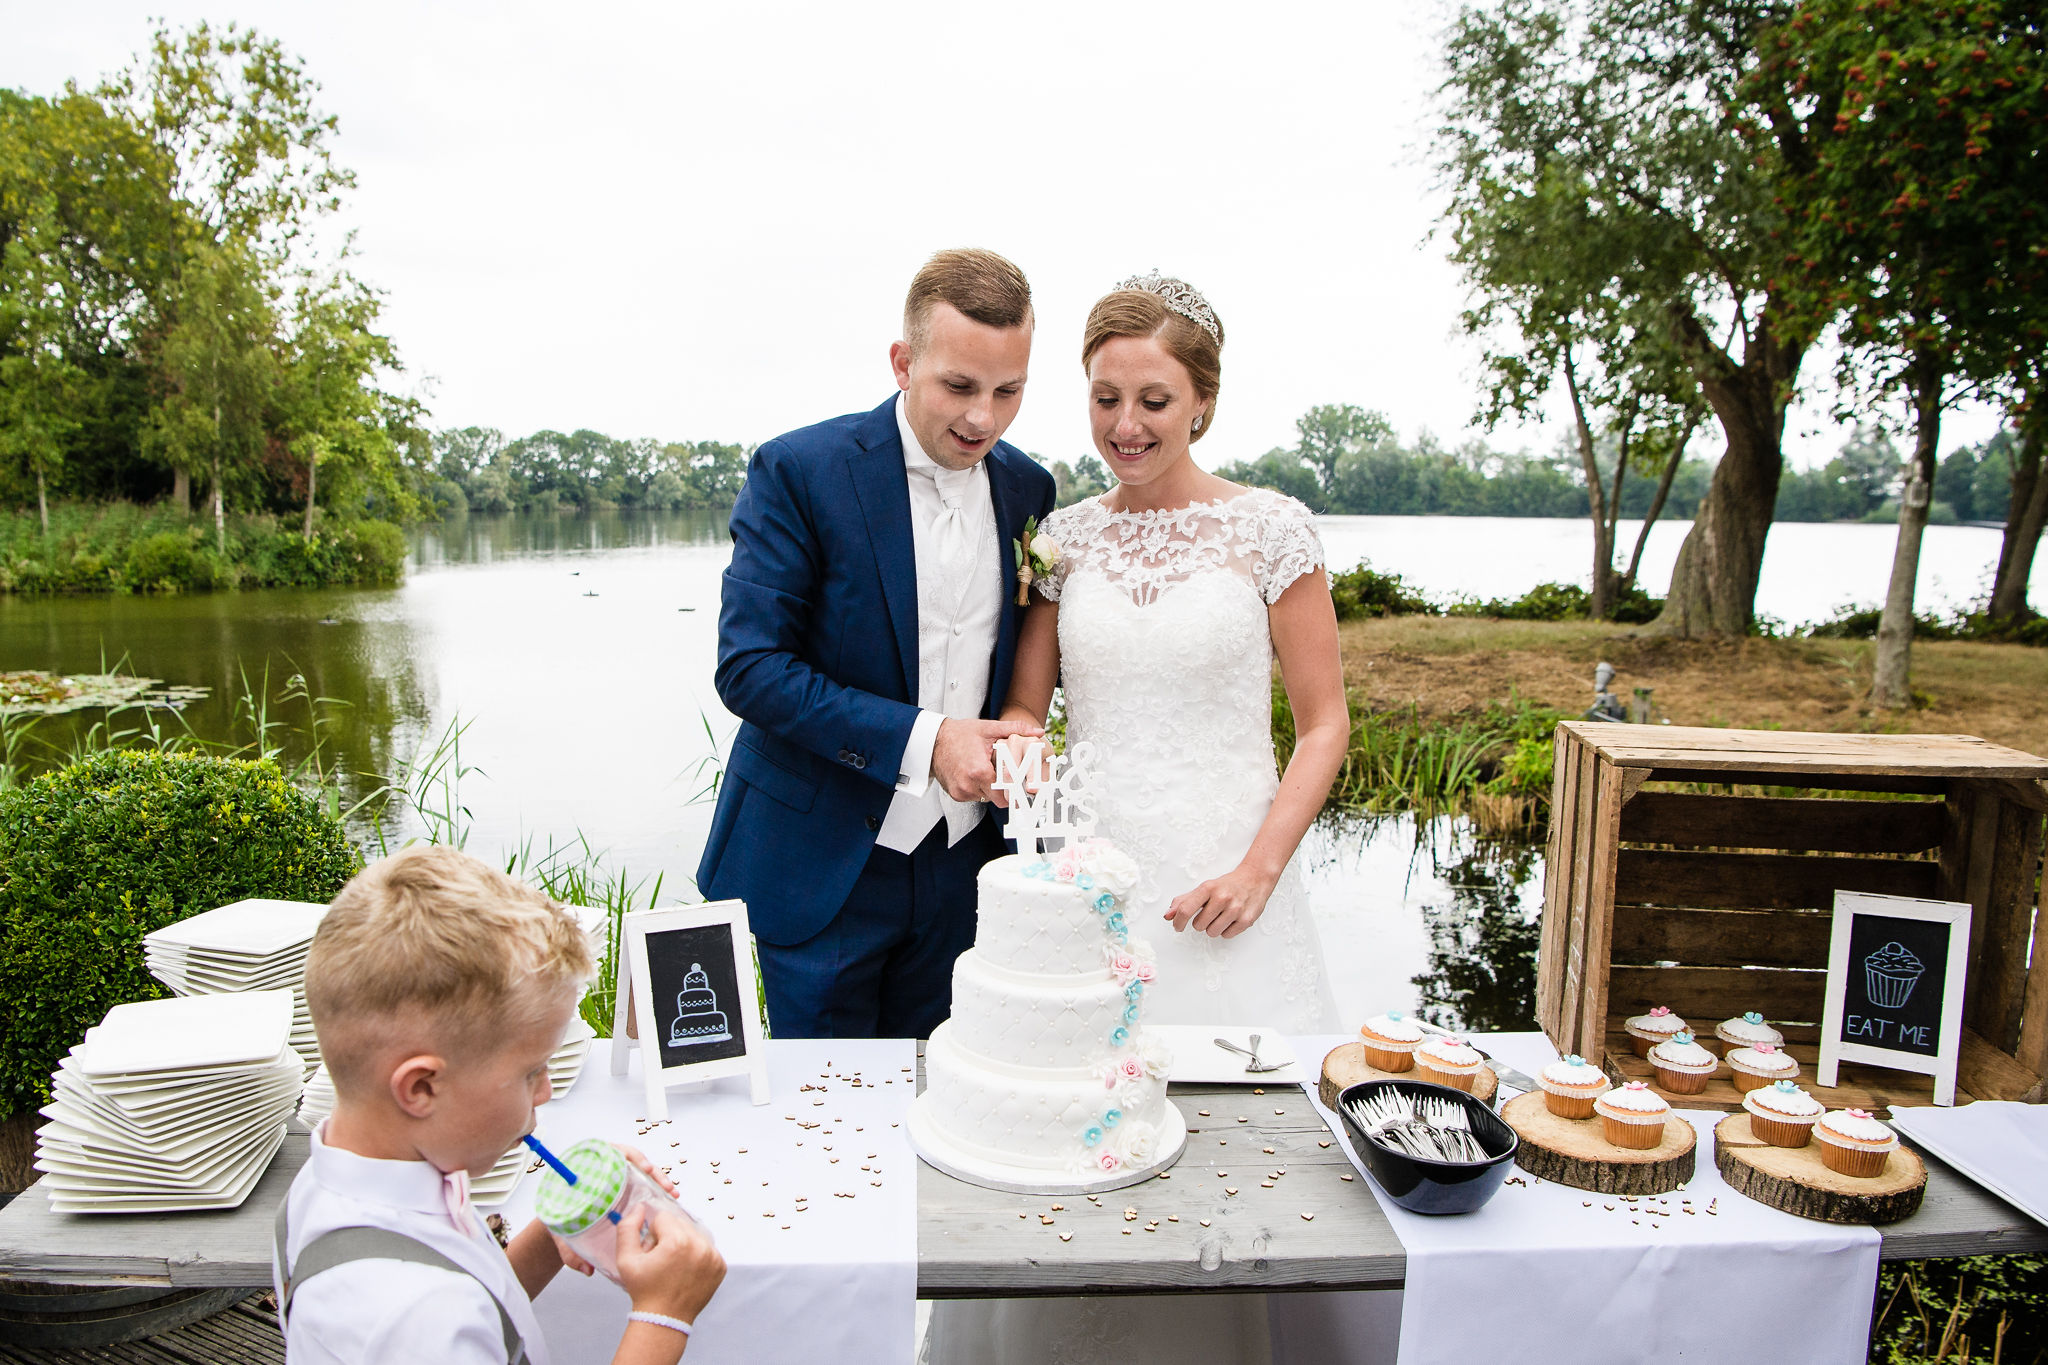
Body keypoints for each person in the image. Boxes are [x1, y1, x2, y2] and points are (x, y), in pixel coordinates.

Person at [925, 273, 1348, 1365]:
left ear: (1200, 400)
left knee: (1229, 1159)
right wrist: (1017, 748)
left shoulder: (1271, 531)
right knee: (1072, 1139)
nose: (1125, 426)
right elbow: (1027, 704)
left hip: (1226, 889)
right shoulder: (1060, 538)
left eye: (1152, 400)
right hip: (1091, 889)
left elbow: (1323, 727)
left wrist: (1258, 869)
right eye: (1104, 399)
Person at [698, 247, 1057, 1039]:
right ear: (902, 361)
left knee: (951, 1108)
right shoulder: (799, 470)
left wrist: (1021, 725)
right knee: (820, 1119)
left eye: (1009, 390)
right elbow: (749, 667)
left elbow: (1017, 658)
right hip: (820, 863)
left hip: (969, 867)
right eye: (959, 386)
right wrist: (928, 742)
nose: (982, 419)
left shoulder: (1030, 490)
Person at [279, 846, 725, 1365]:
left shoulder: (335, 1181)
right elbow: (446, 1317)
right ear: (421, 1088)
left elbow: (481, 1305)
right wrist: (662, 1316)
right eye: (531, 1071)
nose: (547, 1090)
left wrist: (553, 1231)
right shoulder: (411, 1317)